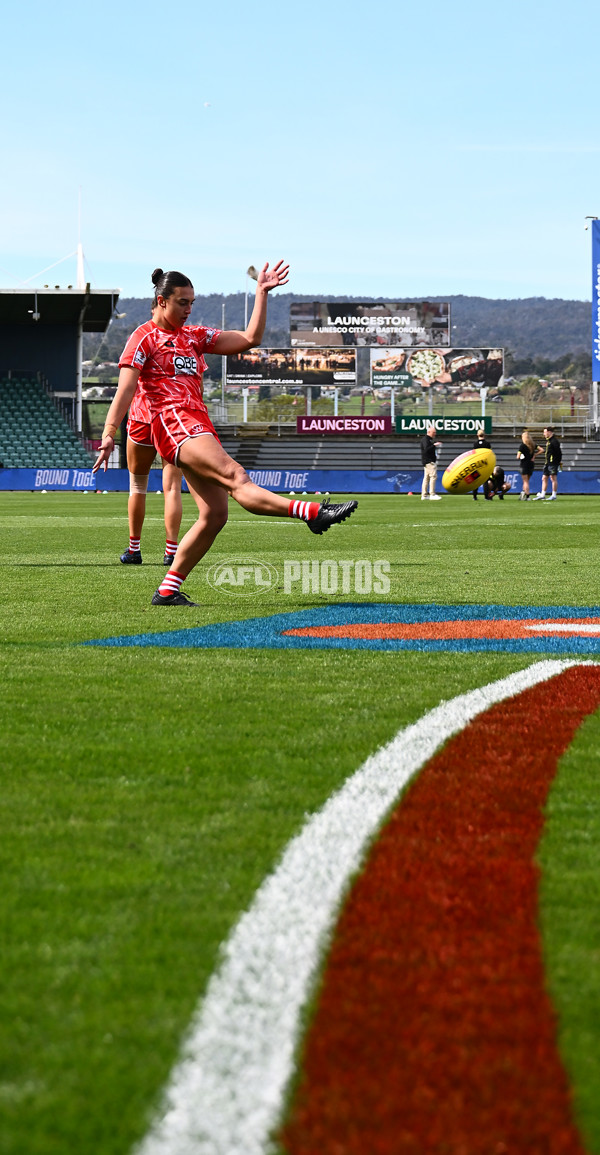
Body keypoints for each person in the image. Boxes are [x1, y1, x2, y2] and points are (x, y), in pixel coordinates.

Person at [93, 263, 357, 605]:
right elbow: (125, 390)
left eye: (192, 303)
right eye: (182, 303)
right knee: (236, 476)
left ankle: (168, 591)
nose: (189, 309)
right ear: (161, 301)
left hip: (197, 423)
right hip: (173, 423)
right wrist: (109, 431)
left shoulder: (193, 336)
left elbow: (250, 339)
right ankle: (312, 513)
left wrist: (261, 293)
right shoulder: (143, 337)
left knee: (215, 515)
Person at [119, 381, 185, 567]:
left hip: (143, 416)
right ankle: (171, 553)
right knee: (173, 488)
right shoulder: (193, 358)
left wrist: (109, 428)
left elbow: (126, 386)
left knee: (137, 486)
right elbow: (198, 388)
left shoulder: (140, 357)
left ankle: (134, 550)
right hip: (175, 419)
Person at [533, 427, 562, 501]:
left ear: (549, 432)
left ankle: (554, 495)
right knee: (544, 478)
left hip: (553, 463)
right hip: (547, 463)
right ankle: (542, 494)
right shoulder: (549, 441)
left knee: (553, 478)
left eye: (545, 432)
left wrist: (556, 462)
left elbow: (558, 453)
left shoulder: (554, 441)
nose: (544, 434)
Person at [516, 429, 540, 501]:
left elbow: (518, 456)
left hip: (524, 464)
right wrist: (535, 455)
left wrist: (521, 456)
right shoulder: (533, 444)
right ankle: (523, 494)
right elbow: (542, 450)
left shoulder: (522, 446)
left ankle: (527, 496)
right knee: (527, 481)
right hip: (531, 464)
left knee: (525, 481)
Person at [420, 424, 442, 500]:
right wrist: (434, 445)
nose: (435, 434)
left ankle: (424, 495)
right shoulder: (426, 440)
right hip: (429, 461)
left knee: (426, 478)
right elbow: (426, 450)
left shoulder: (427, 439)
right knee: (433, 476)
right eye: (434, 432)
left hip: (426, 461)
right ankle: (432, 494)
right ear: (429, 432)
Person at [471, 428, 491, 501]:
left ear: (477, 435)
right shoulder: (487, 444)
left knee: (475, 481)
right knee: (485, 481)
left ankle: (474, 496)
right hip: (484, 464)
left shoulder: (475, 444)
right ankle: (486, 497)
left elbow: (474, 454)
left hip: (477, 464)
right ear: (484, 435)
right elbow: (489, 454)